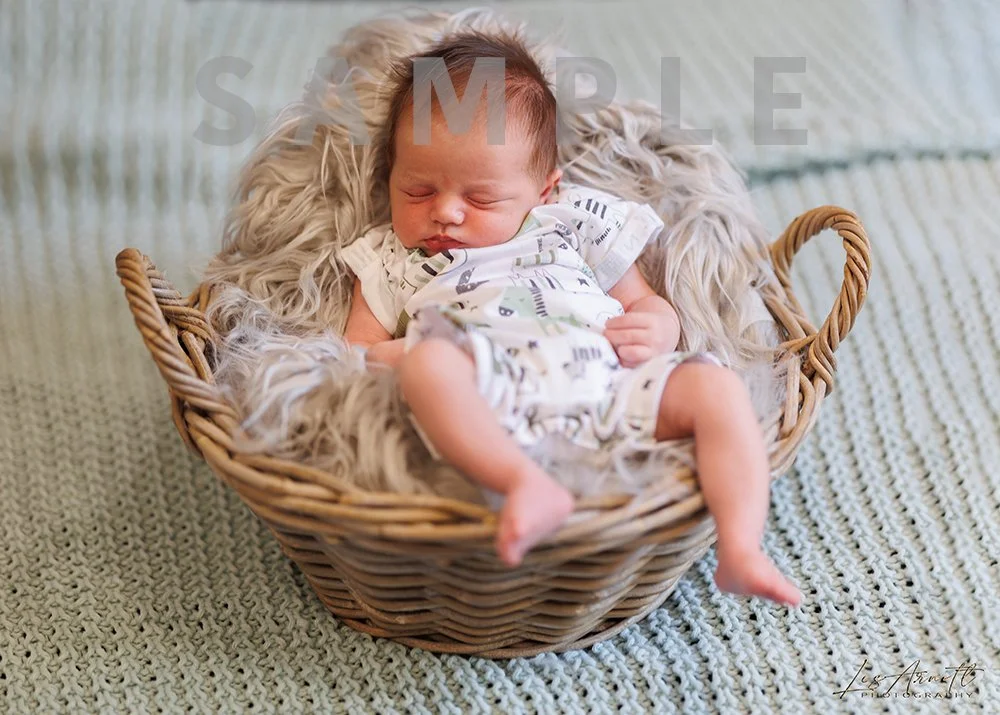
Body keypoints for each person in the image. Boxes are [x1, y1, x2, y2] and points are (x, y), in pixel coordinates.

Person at [342, 31, 801, 607]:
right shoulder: (391, 258)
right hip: (491, 395)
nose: (446, 212)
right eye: (417, 190)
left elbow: (646, 302)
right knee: (430, 366)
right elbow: (354, 349)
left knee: (716, 387)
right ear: (391, 177)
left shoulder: (569, 222)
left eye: (481, 199)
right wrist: (410, 358)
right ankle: (523, 483)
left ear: (545, 190)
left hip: (607, 382)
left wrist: (658, 328)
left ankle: (740, 546)